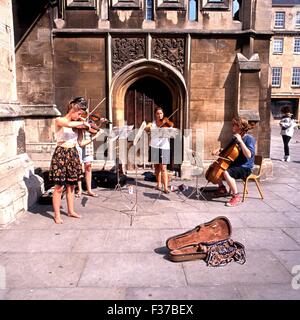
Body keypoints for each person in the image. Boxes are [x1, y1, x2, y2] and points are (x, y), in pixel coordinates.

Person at [49, 98, 93, 224]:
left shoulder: (77, 125)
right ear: (73, 110)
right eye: (79, 113)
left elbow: (80, 143)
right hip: (61, 153)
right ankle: (57, 215)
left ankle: (71, 210)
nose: (81, 116)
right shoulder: (60, 120)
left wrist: (93, 136)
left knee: (71, 185)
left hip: (73, 153)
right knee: (58, 186)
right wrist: (84, 123)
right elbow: (67, 124)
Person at [212, 116, 256, 207]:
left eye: (234, 125)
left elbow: (249, 155)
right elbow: (229, 150)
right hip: (236, 164)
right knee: (216, 166)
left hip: (245, 167)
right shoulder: (235, 137)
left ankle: (236, 196)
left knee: (226, 172)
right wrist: (219, 150)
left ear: (240, 127)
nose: (232, 127)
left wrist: (241, 141)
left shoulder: (249, 138)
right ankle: (222, 189)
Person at [75, 98, 102, 198]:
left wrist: (98, 124)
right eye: (81, 113)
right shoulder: (76, 121)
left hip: (88, 145)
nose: (82, 115)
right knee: (79, 168)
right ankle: (80, 189)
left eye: (84, 113)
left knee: (88, 167)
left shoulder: (89, 121)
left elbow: (94, 130)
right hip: (78, 145)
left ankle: (89, 189)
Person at [145, 107, 174, 194]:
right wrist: (147, 128)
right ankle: (158, 184)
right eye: (158, 113)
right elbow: (146, 129)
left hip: (164, 147)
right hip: (154, 146)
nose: (160, 115)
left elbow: (172, 128)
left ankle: (165, 187)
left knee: (164, 167)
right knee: (157, 167)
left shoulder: (166, 124)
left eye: (161, 113)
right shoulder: (152, 124)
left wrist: (168, 125)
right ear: (155, 114)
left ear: (163, 114)